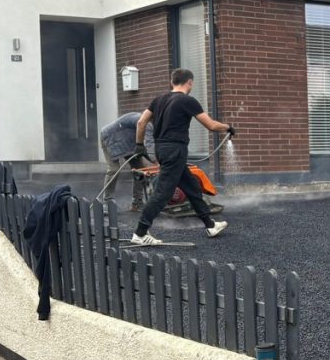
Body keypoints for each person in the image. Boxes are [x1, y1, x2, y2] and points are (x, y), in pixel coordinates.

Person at [130, 68, 234, 245]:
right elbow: (210, 125)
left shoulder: (158, 99)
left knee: (192, 186)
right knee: (163, 193)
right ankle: (140, 233)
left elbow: (141, 122)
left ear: (172, 82)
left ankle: (210, 225)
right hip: (175, 150)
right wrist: (228, 128)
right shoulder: (188, 101)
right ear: (190, 82)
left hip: (161, 149)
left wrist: (139, 145)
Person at [99, 112, 153, 211]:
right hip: (109, 137)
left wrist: (154, 160)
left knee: (140, 170)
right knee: (114, 169)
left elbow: (149, 148)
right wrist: (157, 161)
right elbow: (150, 147)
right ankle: (107, 202)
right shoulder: (146, 123)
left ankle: (137, 203)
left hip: (127, 142)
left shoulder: (149, 123)